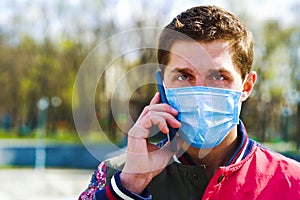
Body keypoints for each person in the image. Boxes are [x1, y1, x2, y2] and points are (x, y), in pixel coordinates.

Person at [79, 5, 300, 200]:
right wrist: (131, 183)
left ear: (246, 86)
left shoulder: (293, 182)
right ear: (162, 84)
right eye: (184, 76)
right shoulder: (114, 175)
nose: (200, 94)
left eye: (218, 77)